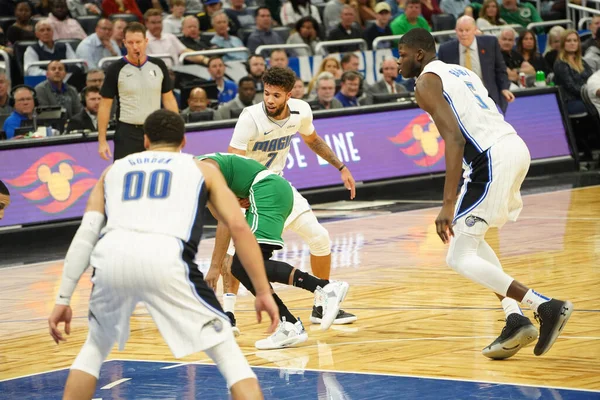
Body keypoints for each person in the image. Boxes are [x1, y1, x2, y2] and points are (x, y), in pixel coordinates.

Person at [47, 109, 278, 400]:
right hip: (167, 259)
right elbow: (238, 227)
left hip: (111, 260)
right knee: (230, 357)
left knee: (93, 349)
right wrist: (261, 290)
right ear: (183, 141)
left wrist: (63, 299)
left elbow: (86, 234)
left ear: (145, 140)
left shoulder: (113, 170)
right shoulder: (203, 169)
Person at [397, 28, 573, 360]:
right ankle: (515, 317)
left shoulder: (425, 82)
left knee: (457, 256)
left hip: (490, 158)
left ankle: (545, 306)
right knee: (471, 243)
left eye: (402, 54)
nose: (398, 60)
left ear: (419, 54)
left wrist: (447, 204)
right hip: (513, 146)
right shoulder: (461, 71)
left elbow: (454, 139)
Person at [225, 67, 357, 326]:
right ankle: (228, 313)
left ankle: (321, 305)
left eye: (276, 95)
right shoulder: (250, 118)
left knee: (320, 238)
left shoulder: (301, 111)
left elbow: (313, 140)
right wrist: (239, 194)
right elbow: (233, 160)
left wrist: (341, 167)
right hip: (250, 188)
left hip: (278, 186)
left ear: (288, 95)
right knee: (234, 254)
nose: (270, 100)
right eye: (266, 94)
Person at [198, 152, 350, 348]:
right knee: (242, 267)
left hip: (266, 190)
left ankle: (324, 288)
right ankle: (289, 323)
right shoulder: (199, 175)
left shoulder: (203, 172)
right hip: (268, 192)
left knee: (244, 264)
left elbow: (225, 222)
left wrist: (214, 267)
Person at [98, 22, 179, 161]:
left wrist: (177, 131)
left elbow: (169, 99)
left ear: (146, 42)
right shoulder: (115, 69)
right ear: (124, 43)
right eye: (130, 42)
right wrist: (102, 141)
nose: (135, 46)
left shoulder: (158, 65)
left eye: (138, 42)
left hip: (155, 131)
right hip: (127, 132)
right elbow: (105, 105)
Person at [438, 16, 513, 113]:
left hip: (488, 96)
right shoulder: (446, 50)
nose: (464, 34)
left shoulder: (490, 43)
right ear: (455, 31)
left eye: (467, 30)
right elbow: (442, 77)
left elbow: (500, 69)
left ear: (475, 30)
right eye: (460, 30)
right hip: (460, 100)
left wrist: (504, 88)